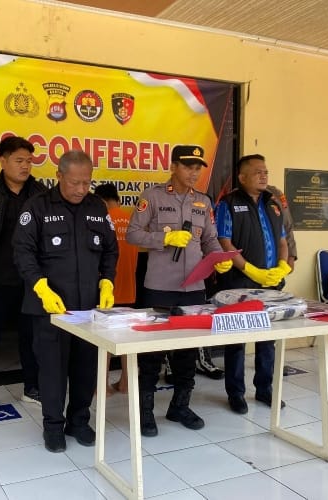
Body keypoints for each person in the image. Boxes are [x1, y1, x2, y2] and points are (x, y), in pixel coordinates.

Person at [14, 150, 118, 453]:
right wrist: (40, 287)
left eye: (86, 182)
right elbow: (22, 251)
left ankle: (79, 421)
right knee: (52, 371)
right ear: (59, 176)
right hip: (50, 309)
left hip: (88, 309)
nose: (81, 189)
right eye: (74, 182)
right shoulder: (37, 207)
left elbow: (110, 249)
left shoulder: (97, 207)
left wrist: (107, 280)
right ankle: (53, 426)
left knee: (86, 368)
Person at [126, 144, 233, 437]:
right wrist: (165, 238)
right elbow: (133, 234)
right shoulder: (153, 196)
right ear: (173, 167)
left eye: (198, 168)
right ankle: (145, 412)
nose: (194, 173)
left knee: (187, 353)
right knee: (151, 354)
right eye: (188, 167)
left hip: (194, 288)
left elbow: (209, 239)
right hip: (159, 288)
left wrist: (219, 258)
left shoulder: (203, 202)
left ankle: (180, 406)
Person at [0, 136, 47, 417]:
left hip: (30, 280)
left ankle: (32, 387)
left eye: (29, 161)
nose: (25, 166)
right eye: (19, 160)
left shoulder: (40, 193)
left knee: (31, 337)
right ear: (2, 161)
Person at [214, 154, 291, 414]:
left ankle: (265, 389)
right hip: (238, 283)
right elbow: (224, 241)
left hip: (270, 284)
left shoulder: (274, 203)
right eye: (258, 171)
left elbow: (283, 240)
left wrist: (282, 266)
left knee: (267, 339)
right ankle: (236, 393)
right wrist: (250, 270)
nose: (264, 175)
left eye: (266, 171)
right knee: (237, 340)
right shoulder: (229, 203)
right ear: (242, 177)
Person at [94, 183, 138, 394]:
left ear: (101, 201)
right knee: (128, 340)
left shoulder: (102, 219)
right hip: (130, 288)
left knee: (103, 340)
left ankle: (102, 386)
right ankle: (126, 383)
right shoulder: (132, 221)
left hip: (107, 289)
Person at [267, 185, 298, 271]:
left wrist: (291, 255)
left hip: (277, 258)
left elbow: (287, 224)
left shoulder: (276, 193)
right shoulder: (237, 196)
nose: (263, 178)